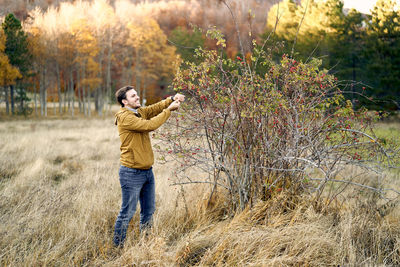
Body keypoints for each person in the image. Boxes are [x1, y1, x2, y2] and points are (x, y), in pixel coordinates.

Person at [113, 85, 184, 247]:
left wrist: (171, 99)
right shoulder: (125, 117)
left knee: (148, 211)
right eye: (133, 96)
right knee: (127, 213)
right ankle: (118, 247)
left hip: (147, 172)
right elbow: (149, 125)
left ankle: (146, 245)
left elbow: (153, 109)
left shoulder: (138, 111)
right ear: (124, 102)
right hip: (131, 173)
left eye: (136, 94)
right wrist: (169, 110)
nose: (137, 97)